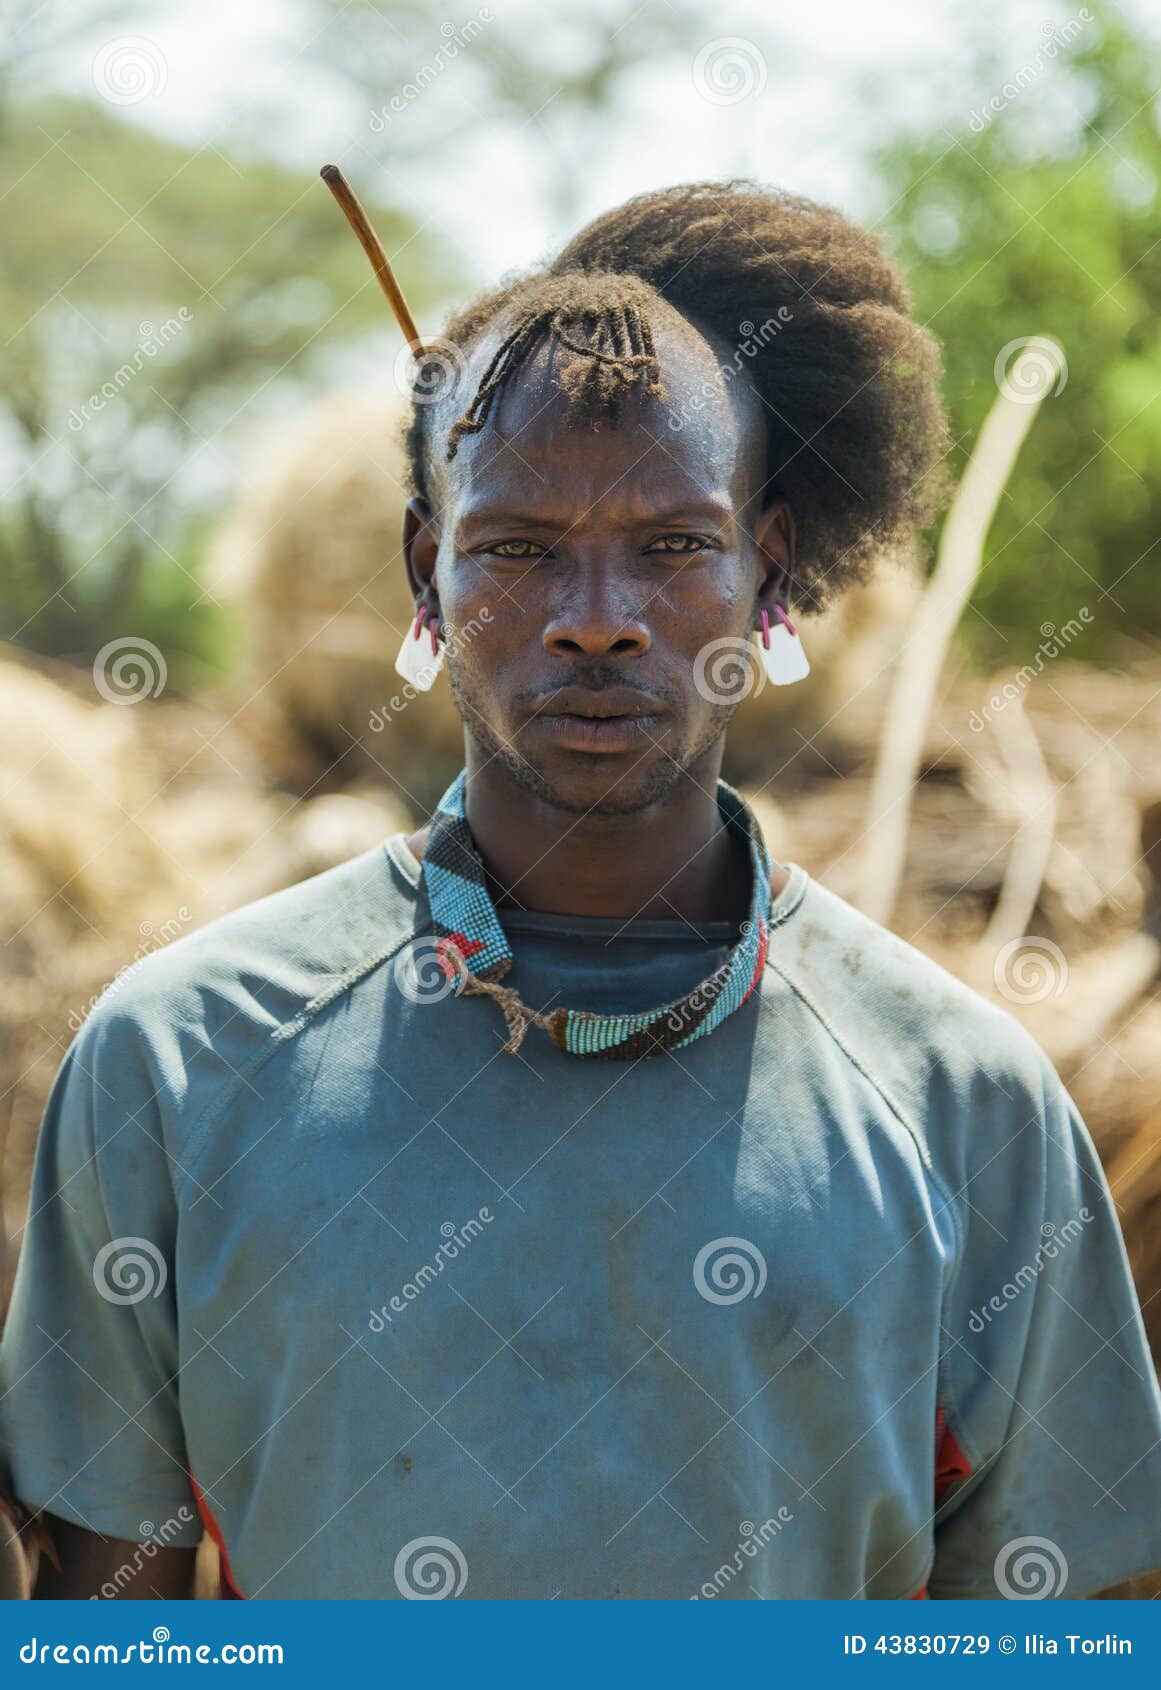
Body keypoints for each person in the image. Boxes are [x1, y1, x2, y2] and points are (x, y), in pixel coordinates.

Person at [2, 181, 1159, 1601]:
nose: (596, 614)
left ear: (768, 573)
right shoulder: (178, 1059)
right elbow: (102, 1619)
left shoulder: (961, 1100)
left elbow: (1062, 1618)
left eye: (672, 545)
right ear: (426, 576)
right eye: (517, 548)